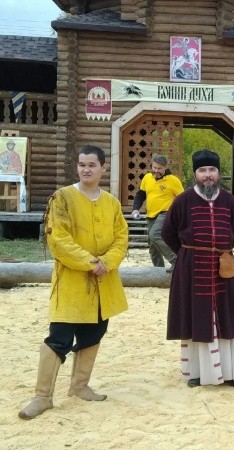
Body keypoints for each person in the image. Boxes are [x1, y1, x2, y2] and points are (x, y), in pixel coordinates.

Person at [18, 145, 129, 420]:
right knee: (59, 338)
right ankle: (42, 396)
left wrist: (107, 262)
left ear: (103, 168)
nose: (86, 169)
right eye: (81, 164)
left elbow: (121, 238)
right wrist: (92, 263)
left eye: (91, 165)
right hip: (71, 282)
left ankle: (79, 386)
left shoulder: (112, 203)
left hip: (103, 283)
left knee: (94, 334)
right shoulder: (62, 198)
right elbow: (58, 240)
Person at [161, 149, 234, 389]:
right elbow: (167, 233)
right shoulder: (183, 200)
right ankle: (197, 372)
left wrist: (221, 250)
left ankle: (232, 373)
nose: (208, 175)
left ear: (218, 173)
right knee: (197, 316)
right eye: (202, 170)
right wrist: (187, 254)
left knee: (228, 315)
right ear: (195, 174)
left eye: (212, 170)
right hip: (193, 269)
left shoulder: (229, 200)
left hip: (224, 267)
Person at [131, 154, 184, 272]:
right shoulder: (147, 178)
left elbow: (182, 198)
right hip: (151, 215)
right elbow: (141, 195)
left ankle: (176, 260)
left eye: (159, 168)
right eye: (154, 167)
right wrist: (135, 208)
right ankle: (158, 271)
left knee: (155, 234)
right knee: (153, 246)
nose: (156, 170)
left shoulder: (173, 180)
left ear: (165, 167)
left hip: (166, 213)